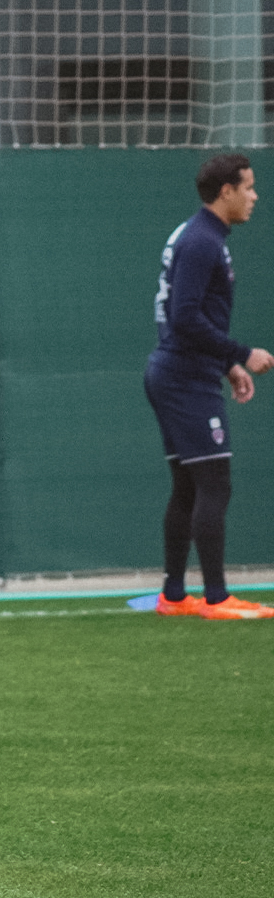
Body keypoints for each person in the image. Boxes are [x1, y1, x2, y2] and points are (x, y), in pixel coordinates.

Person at [145, 152, 274, 620]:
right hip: (184, 378)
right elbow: (185, 317)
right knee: (214, 483)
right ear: (227, 191)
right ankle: (217, 599)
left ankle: (174, 596)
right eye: (249, 187)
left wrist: (226, 365)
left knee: (188, 486)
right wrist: (242, 353)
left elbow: (188, 316)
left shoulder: (199, 234)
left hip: (179, 372)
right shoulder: (202, 240)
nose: (254, 196)